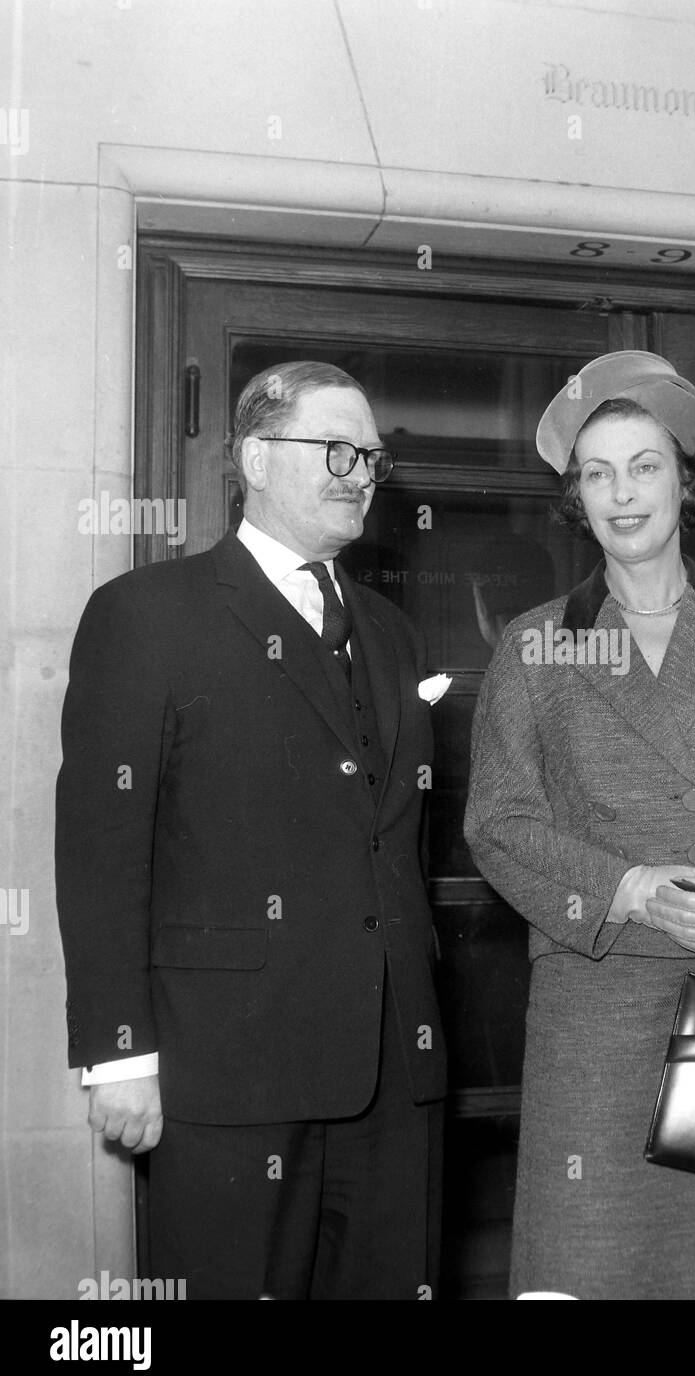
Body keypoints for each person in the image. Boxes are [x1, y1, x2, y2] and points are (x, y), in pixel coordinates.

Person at [56, 361, 446, 1299]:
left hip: (395, 1074)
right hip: (222, 1076)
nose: (361, 473)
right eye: (338, 449)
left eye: (373, 458)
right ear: (257, 459)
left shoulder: (392, 631)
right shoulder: (145, 614)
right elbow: (103, 851)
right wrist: (120, 1057)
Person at [464, 350, 695, 1299]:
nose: (622, 494)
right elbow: (499, 823)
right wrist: (626, 887)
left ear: (685, 484)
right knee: (594, 1266)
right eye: (597, 474)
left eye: (643, 466)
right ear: (576, 501)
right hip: (596, 1011)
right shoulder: (535, 644)